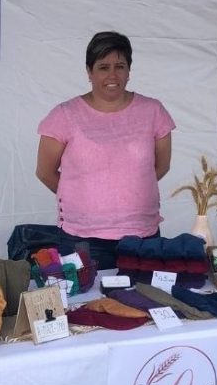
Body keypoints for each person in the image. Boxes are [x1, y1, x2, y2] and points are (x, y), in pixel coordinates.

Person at [34, 31, 176, 269]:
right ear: (89, 72)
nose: (112, 75)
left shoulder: (153, 111)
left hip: (142, 235)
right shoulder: (65, 115)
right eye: (103, 67)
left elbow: (160, 166)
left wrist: (126, 189)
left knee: (145, 291)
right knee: (87, 294)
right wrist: (80, 197)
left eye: (120, 66)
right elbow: (45, 172)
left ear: (129, 71)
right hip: (82, 239)